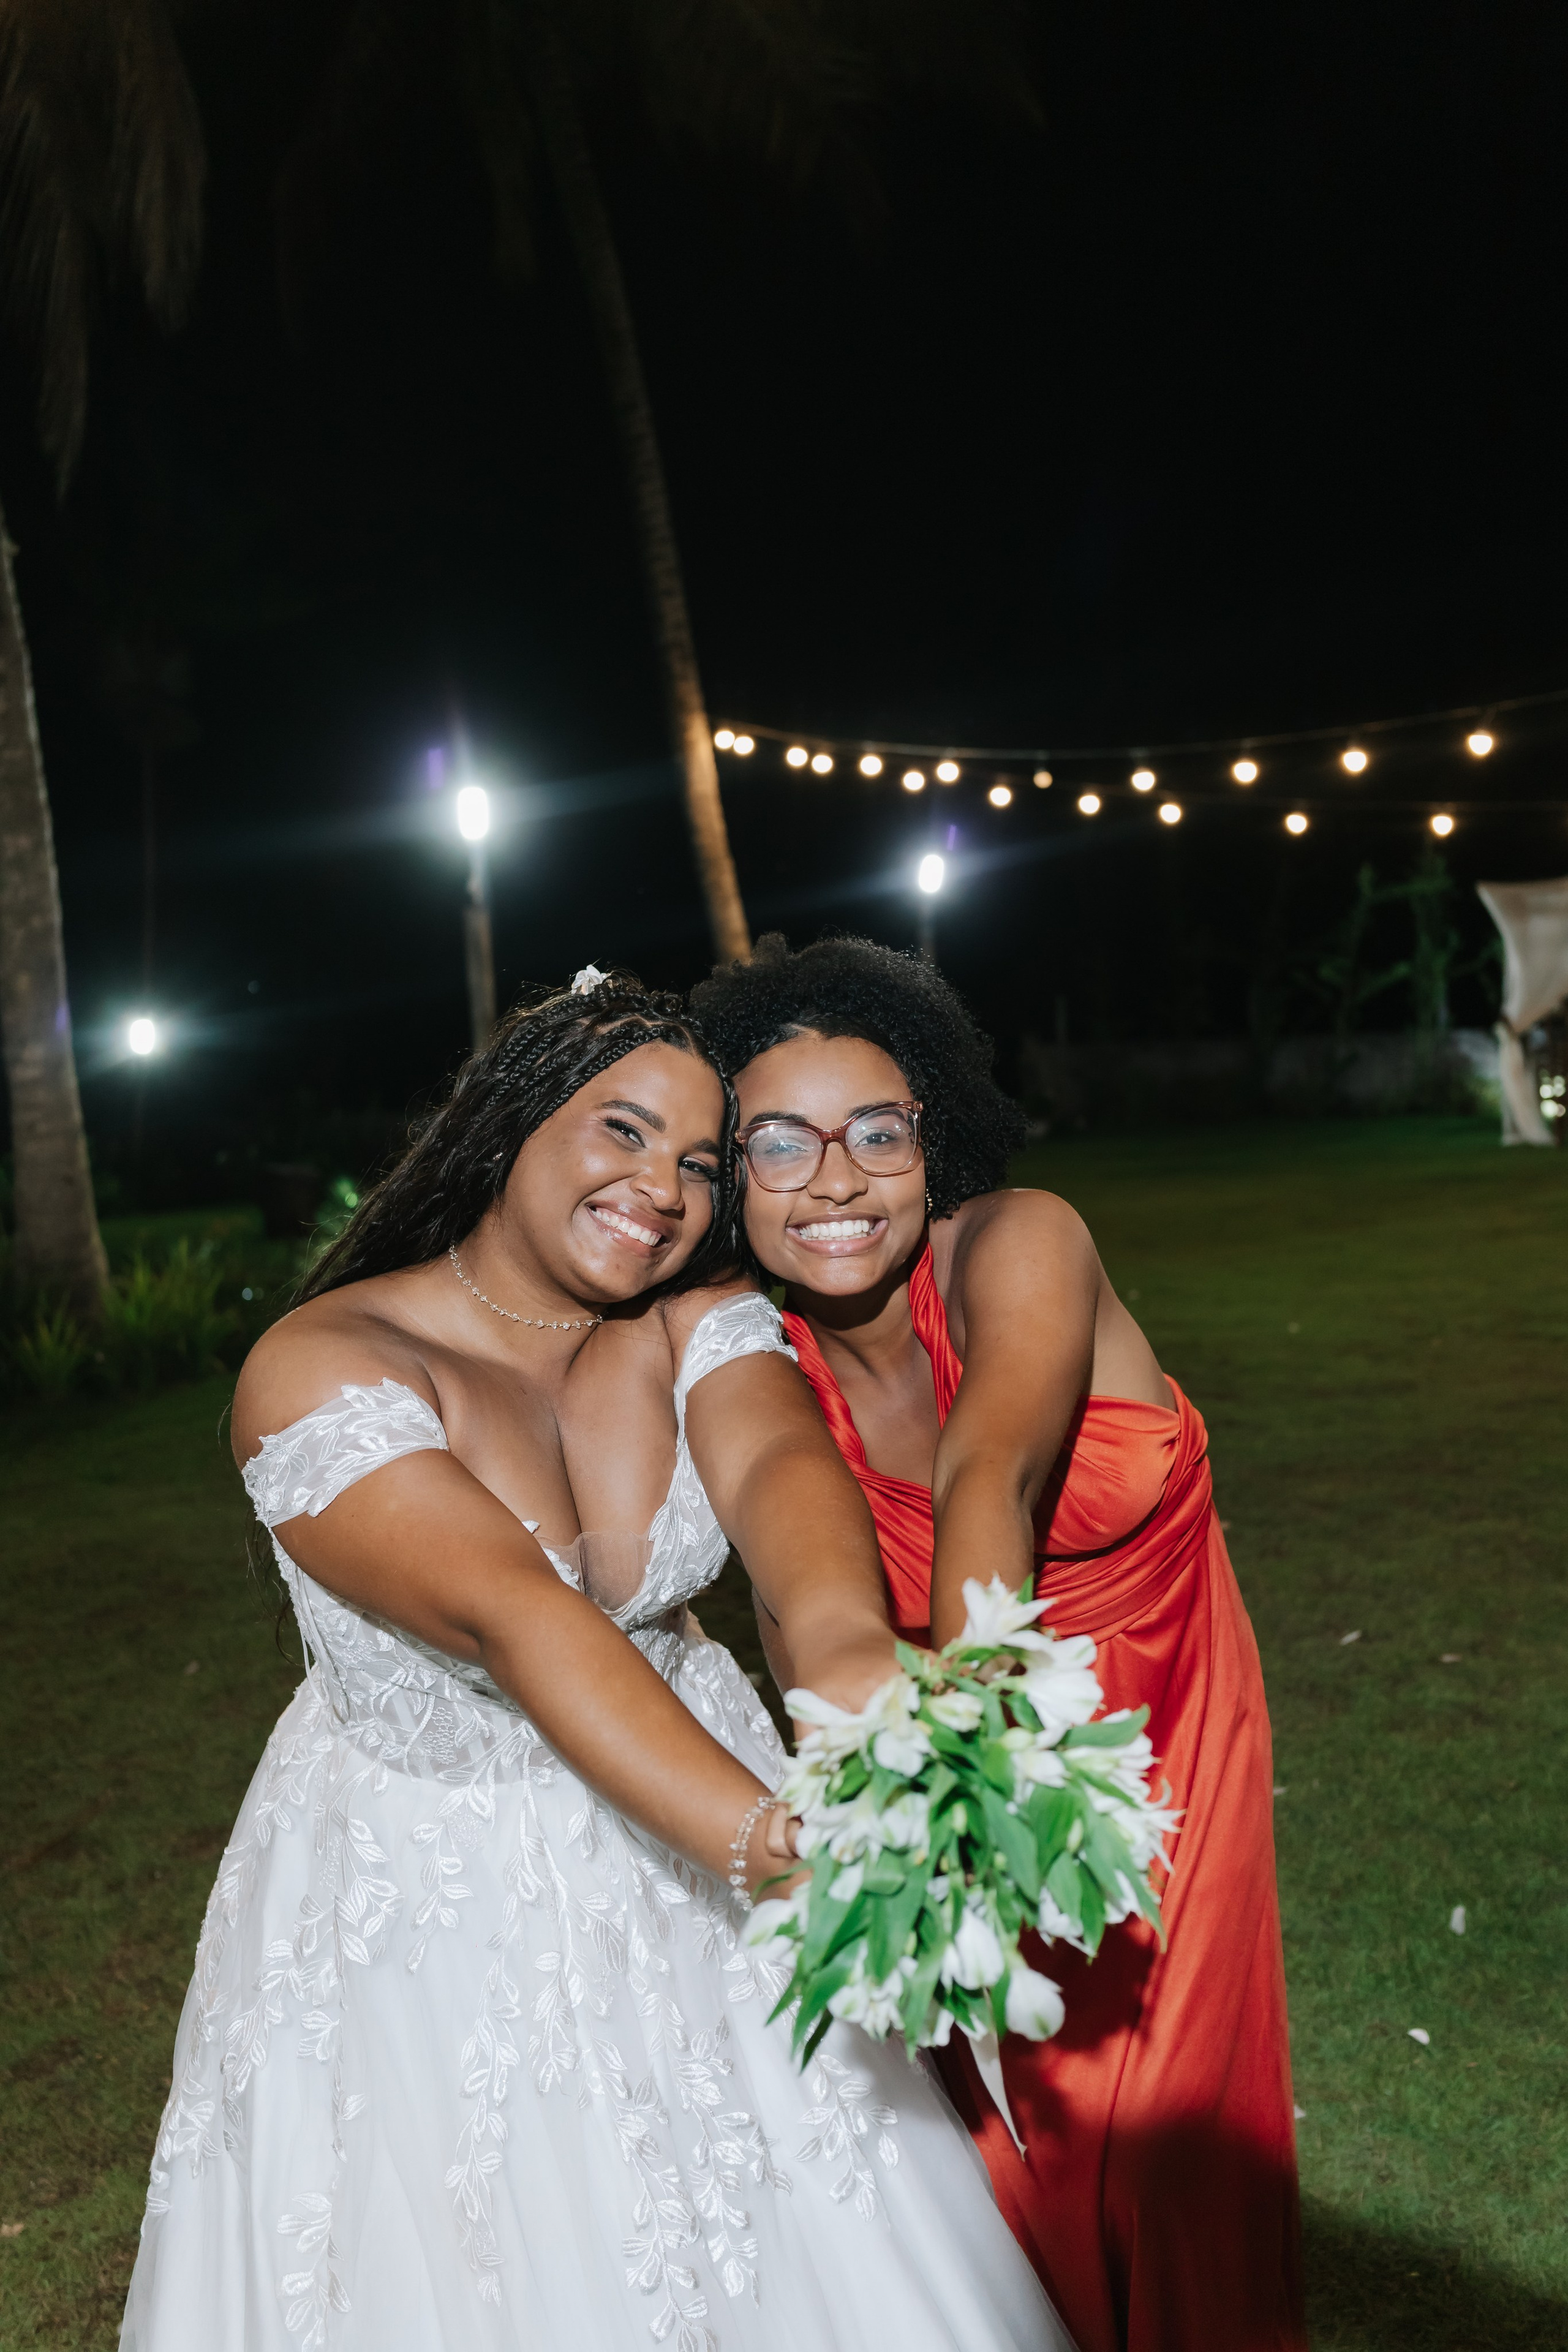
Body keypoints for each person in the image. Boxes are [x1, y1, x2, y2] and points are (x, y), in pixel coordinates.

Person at [121, 969, 1067, 2352]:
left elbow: (784, 1479)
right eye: (619, 1131)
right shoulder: (325, 1368)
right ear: (510, 1125)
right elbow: (526, 1619)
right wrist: (787, 1850)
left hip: (708, 1809)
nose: (664, 1191)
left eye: (696, 1161)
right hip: (437, 1906)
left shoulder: (697, 1317)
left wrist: (865, 1683)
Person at [691, 935, 1306, 2352]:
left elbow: (991, 1474)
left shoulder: (1022, 1236)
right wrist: (890, 1814)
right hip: (951, 1743)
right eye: (776, 1143)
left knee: (1167, 2137)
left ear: (937, 1136)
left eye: (875, 1133)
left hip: (1146, 1741)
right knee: (1000, 2137)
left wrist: (972, 1736)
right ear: (725, 1176)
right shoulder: (750, 1365)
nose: (834, 1180)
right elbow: (793, 1616)